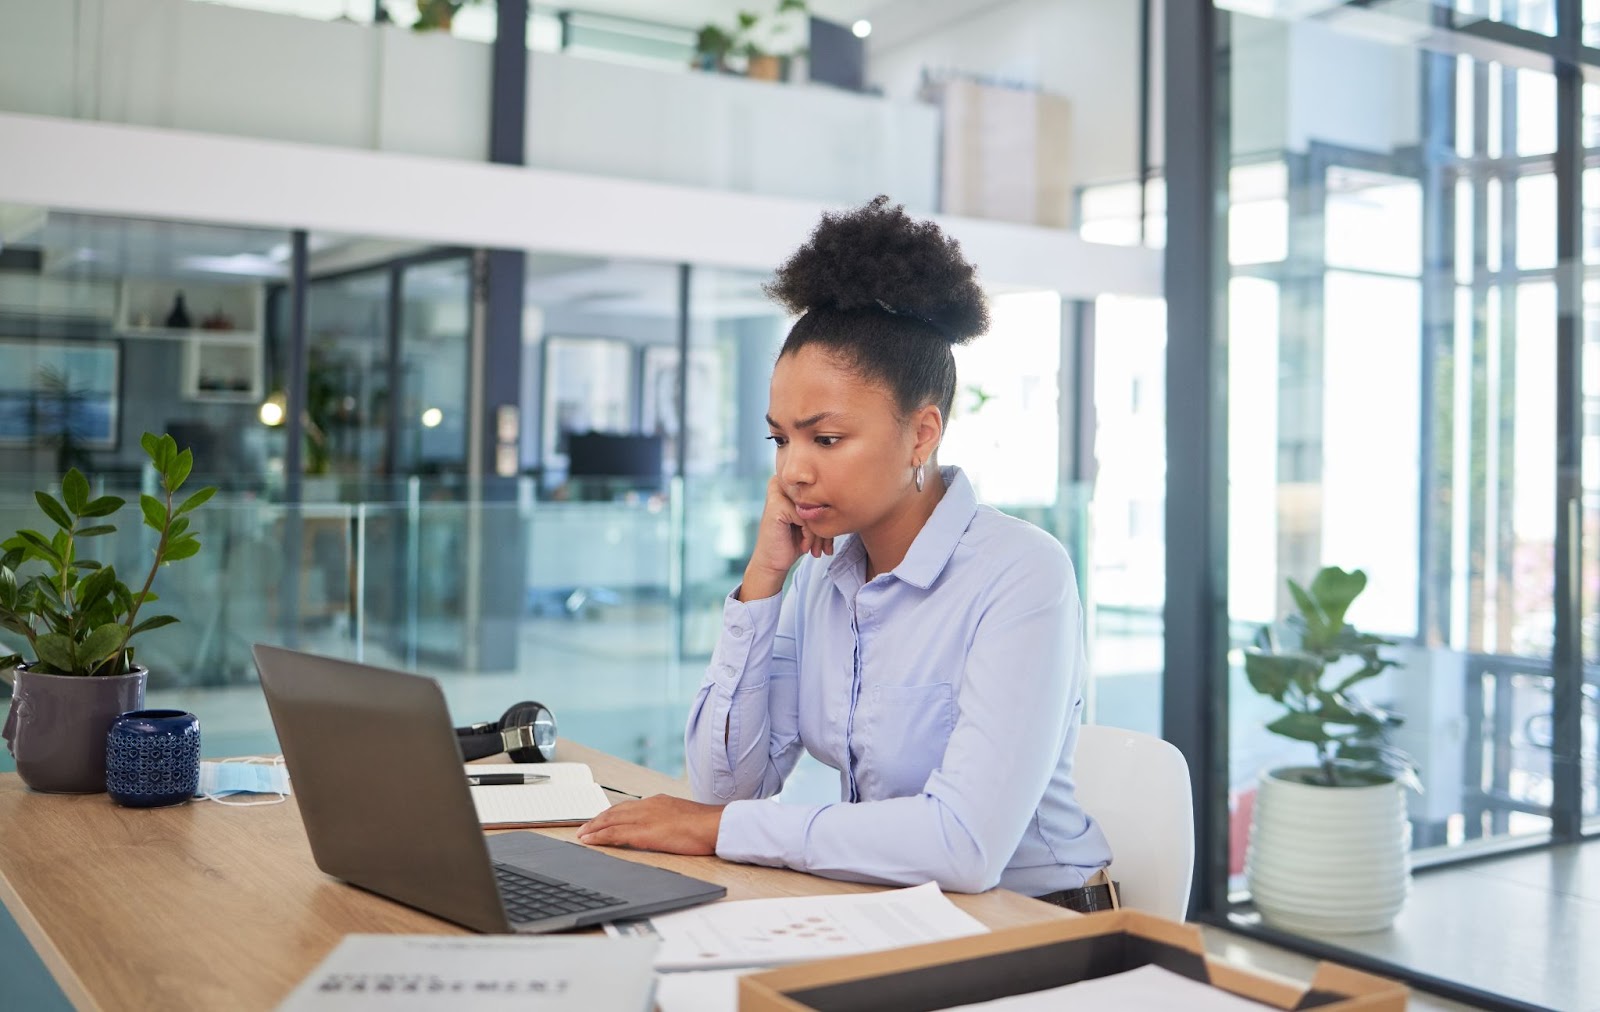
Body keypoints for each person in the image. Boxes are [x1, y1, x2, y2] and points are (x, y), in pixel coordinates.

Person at [578, 196, 1114, 909]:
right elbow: (724, 790)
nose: (793, 469)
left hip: (1038, 921)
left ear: (922, 434)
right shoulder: (823, 573)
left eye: (824, 439)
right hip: (892, 908)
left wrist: (732, 830)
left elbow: (966, 845)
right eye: (781, 439)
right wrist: (764, 580)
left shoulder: (1022, 573)